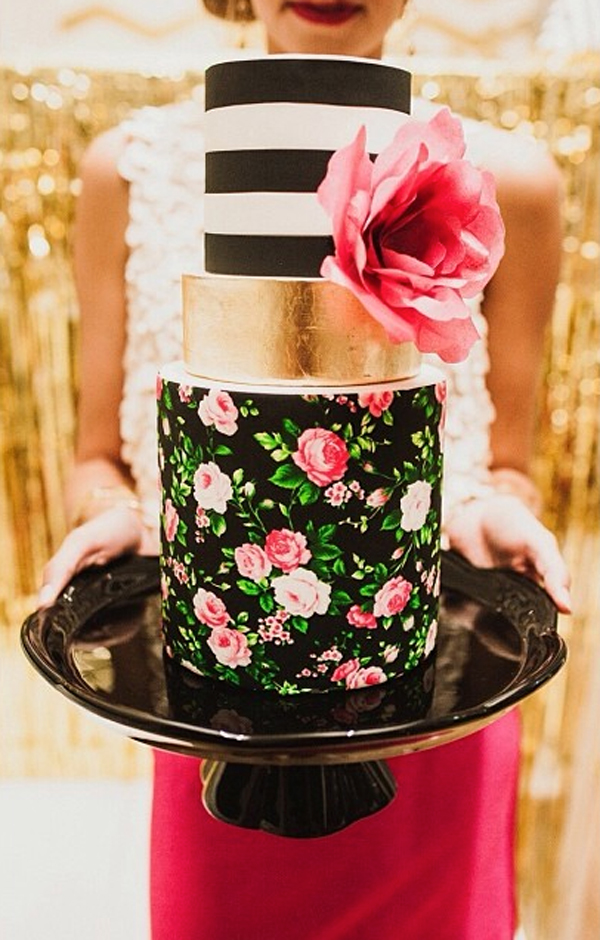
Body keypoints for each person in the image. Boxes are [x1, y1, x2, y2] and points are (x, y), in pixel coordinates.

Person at [39, 1, 571, 937]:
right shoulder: (132, 169)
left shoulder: (509, 181)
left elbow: (511, 465)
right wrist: (119, 513)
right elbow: (96, 457)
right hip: (227, 693)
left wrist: (491, 508)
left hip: (426, 693)